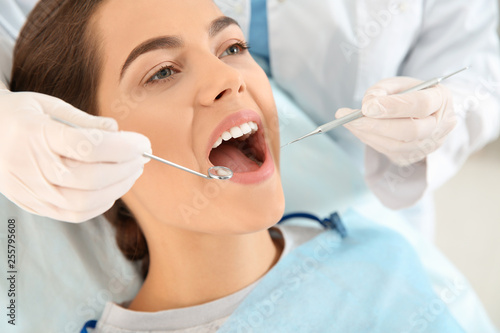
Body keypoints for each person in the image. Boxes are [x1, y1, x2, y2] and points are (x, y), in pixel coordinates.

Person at [9, 0, 496, 332]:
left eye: (232, 48)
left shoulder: (385, 262)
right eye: (161, 72)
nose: (227, 77)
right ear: (83, 145)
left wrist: (449, 108)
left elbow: (478, 51)